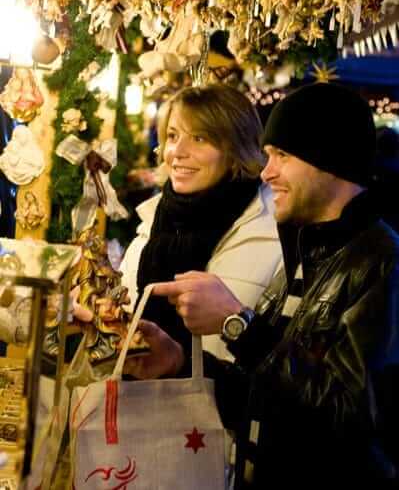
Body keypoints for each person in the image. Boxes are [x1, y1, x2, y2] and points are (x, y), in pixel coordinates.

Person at [125, 82, 399, 483]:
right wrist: (179, 363)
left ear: (329, 161)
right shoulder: (307, 253)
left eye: (282, 156)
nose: (267, 172)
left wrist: (239, 324)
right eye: (269, 155)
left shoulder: (381, 264)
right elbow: (266, 398)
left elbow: (356, 419)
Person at [119, 84, 282, 360]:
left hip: (223, 401)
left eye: (199, 138)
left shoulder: (273, 235)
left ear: (235, 150)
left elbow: (284, 369)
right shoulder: (152, 223)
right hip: (138, 399)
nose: (177, 151)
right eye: (172, 136)